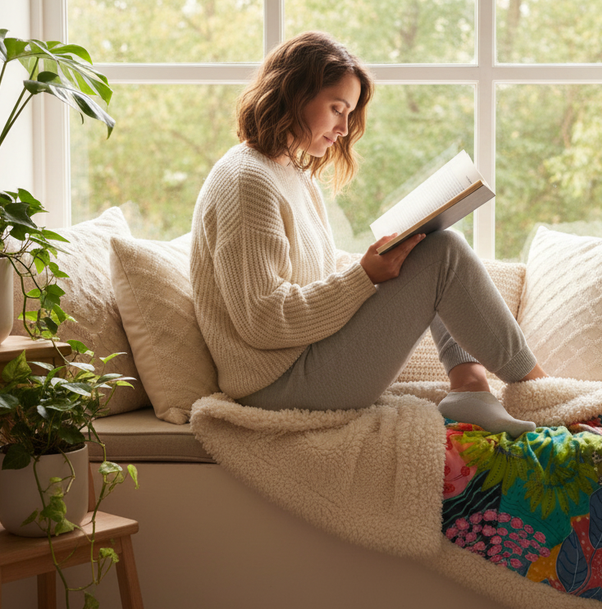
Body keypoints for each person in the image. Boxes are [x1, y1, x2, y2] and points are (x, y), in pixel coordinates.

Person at [190, 31, 546, 437]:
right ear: (294, 95)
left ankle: (470, 385)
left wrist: (382, 260)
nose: (344, 127)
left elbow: (310, 277)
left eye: (350, 111)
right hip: (275, 384)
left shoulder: (290, 172)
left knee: (429, 243)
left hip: (302, 360)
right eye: (336, 108)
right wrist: (364, 277)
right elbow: (263, 320)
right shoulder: (246, 181)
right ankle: (540, 389)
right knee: (442, 252)